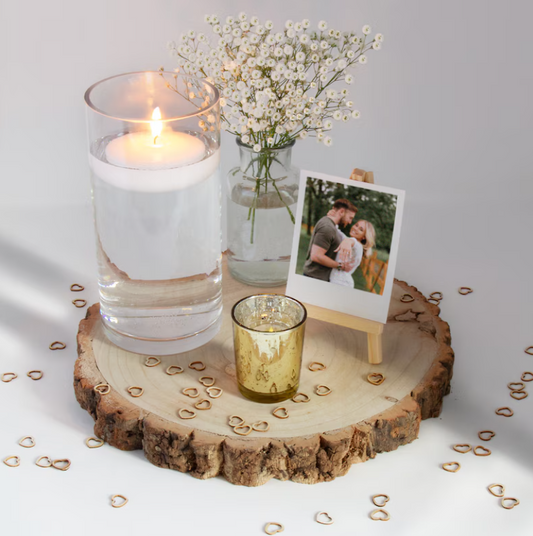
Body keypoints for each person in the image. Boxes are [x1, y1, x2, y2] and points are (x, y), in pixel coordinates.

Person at [303, 199, 358, 281]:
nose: (350, 222)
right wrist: (340, 266)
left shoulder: (331, 226)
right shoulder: (328, 227)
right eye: (350, 218)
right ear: (342, 212)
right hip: (314, 278)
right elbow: (316, 256)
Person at [330, 220, 377, 287]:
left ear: (364, 237)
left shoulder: (358, 246)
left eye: (361, 229)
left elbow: (352, 241)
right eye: (356, 225)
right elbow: (339, 233)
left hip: (341, 282)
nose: (355, 228)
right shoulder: (349, 241)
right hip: (338, 280)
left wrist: (348, 241)